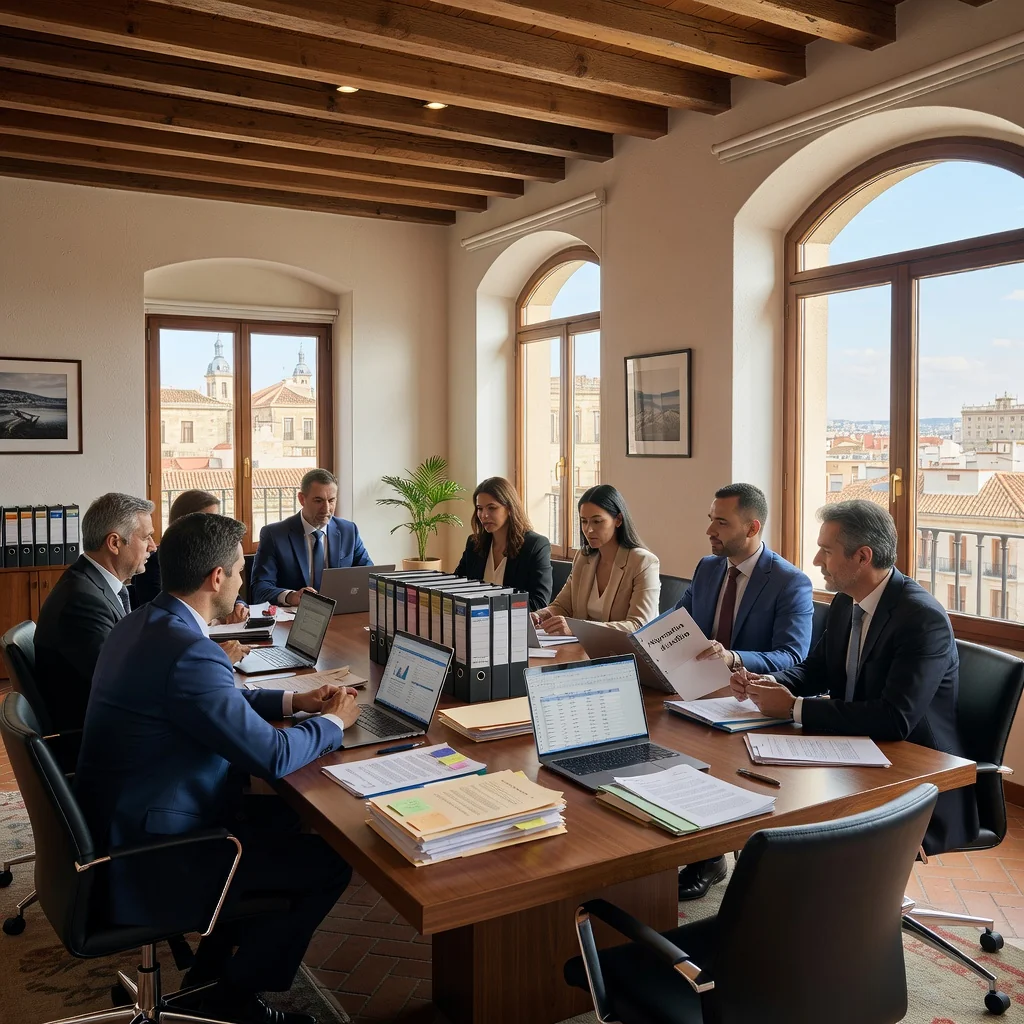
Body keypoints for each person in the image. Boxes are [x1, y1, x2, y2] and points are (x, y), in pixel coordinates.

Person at [75, 512, 362, 1024]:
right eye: (239, 572)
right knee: (330, 862)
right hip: (158, 853)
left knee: (285, 819)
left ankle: (209, 976)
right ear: (216, 578)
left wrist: (295, 702)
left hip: (122, 824)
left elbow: (211, 700)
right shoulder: (189, 651)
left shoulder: (143, 623)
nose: (242, 581)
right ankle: (234, 999)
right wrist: (334, 723)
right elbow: (273, 757)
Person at [732, 499, 979, 855]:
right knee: (760, 789)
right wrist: (772, 683)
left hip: (916, 777)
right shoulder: (846, 601)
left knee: (797, 831)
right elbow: (816, 669)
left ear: (863, 557)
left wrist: (793, 708)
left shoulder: (922, 619)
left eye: (826, 551)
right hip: (854, 755)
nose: (816, 560)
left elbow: (895, 719)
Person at [674, 483, 813, 900]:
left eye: (721, 522)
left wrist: (734, 657)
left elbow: (793, 655)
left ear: (752, 528)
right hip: (700, 694)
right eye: (710, 519)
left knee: (703, 754)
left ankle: (709, 856)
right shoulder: (707, 568)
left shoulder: (789, 581)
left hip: (750, 703)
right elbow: (676, 622)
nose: (709, 530)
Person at [35, 492, 156, 733]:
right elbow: (120, 681)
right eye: (146, 537)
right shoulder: (81, 602)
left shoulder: (91, 584)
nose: (153, 546)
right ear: (114, 543)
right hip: (102, 735)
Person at [533, 484, 659, 634]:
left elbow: (639, 625)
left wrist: (577, 628)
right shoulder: (583, 558)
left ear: (618, 520)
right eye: (584, 521)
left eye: (597, 521)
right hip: (582, 645)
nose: (589, 530)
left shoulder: (643, 562)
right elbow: (563, 607)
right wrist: (541, 615)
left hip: (624, 648)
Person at [250, 468, 372, 607]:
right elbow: (260, 589)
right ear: (302, 499)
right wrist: (291, 596)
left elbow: (368, 575)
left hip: (340, 612)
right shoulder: (274, 535)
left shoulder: (348, 531)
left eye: (331, 500)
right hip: (295, 615)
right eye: (318, 501)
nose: (326, 509)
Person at [131, 489, 248, 626]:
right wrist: (218, 620)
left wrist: (239, 605)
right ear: (186, 522)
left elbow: (228, 590)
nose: (217, 526)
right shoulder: (152, 563)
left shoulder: (213, 557)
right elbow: (162, 613)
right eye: (208, 519)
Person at [454, 476, 552, 611]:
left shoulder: (535, 545)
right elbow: (455, 588)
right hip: (475, 620)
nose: (484, 515)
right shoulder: (474, 544)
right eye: (480, 508)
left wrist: (490, 608)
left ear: (510, 508)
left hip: (513, 623)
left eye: (492, 508)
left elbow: (539, 603)